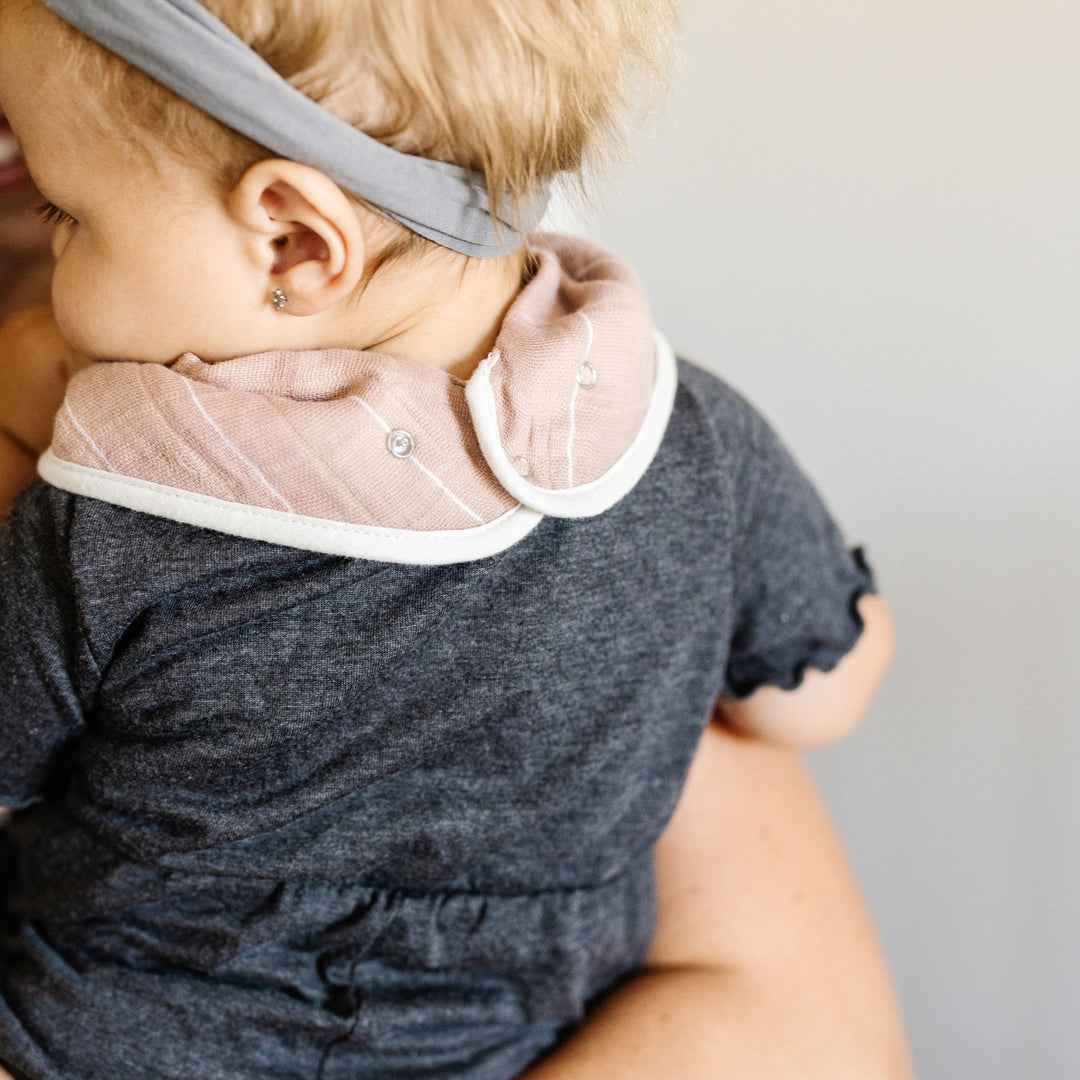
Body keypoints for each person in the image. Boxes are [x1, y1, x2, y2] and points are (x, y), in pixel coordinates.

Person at [0, 1, 908, 1077]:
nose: (54, 261)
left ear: (296, 239)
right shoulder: (689, 441)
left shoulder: (117, 513)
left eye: (65, 213)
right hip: (504, 1049)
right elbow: (824, 694)